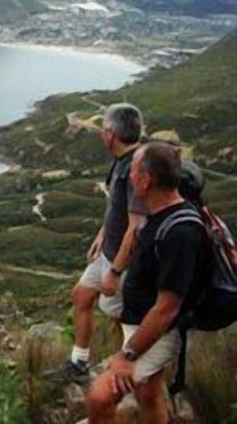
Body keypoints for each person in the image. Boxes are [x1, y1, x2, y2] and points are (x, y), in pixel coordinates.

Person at [86, 142, 205, 423]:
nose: (129, 177)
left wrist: (127, 355)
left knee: (100, 397)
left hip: (157, 333)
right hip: (141, 326)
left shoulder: (180, 233)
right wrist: (116, 273)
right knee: (148, 394)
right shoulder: (159, 214)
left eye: (134, 171)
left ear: (145, 180)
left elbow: (166, 309)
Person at [47, 103, 148, 384]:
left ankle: (130, 374)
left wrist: (115, 271)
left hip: (122, 260)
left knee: (122, 317)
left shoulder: (136, 168)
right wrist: (102, 234)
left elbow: (137, 227)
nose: (101, 134)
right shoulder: (122, 160)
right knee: (82, 295)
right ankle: (79, 363)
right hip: (108, 250)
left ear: (110, 134)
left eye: (103, 129)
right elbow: (117, 207)